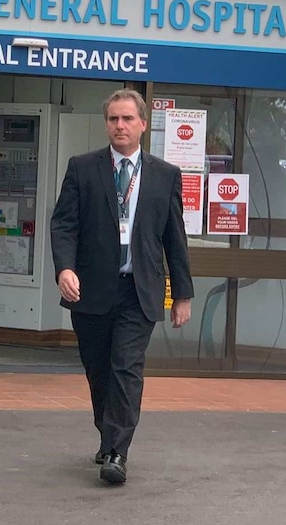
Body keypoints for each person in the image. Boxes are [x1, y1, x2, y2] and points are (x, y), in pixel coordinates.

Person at [50, 89, 193, 484]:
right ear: (106, 124)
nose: (120, 126)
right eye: (114, 119)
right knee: (99, 370)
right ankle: (107, 432)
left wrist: (182, 294)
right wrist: (65, 268)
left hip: (139, 291)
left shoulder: (165, 176)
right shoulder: (83, 168)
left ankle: (117, 452)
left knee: (126, 367)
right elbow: (64, 224)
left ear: (143, 124)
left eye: (128, 119)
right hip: (91, 291)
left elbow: (174, 238)